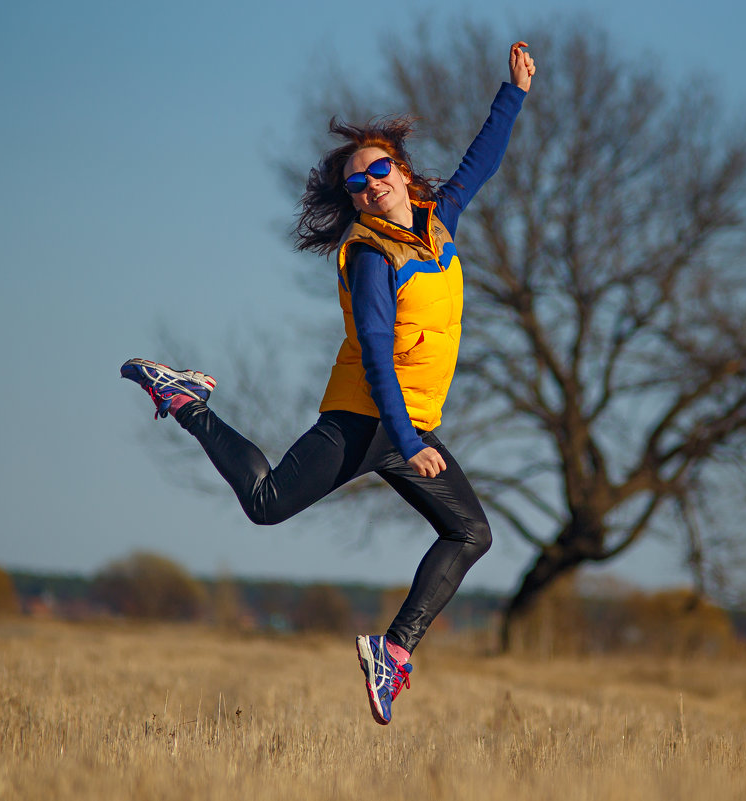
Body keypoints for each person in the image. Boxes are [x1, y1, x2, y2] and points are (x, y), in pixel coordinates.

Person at [120, 42, 535, 726]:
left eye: (379, 171)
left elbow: (478, 165)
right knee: (266, 503)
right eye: (358, 184)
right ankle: (186, 402)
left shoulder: (439, 222)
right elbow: (375, 351)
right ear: (356, 199)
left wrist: (512, 93)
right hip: (372, 418)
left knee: (469, 532)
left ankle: (393, 651)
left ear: (402, 172)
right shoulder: (372, 256)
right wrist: (406, 438)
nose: (371, 185)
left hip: (406, 423)